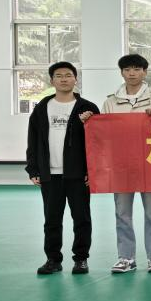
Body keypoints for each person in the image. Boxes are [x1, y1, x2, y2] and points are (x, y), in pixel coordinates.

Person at [96, 54, 151, 274]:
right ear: (121, 72)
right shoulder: (111, 102)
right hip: (121, 166)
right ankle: (126, 258)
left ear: (145, 72)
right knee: (122, 213)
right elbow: (103, 133)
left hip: (150, 164)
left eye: (137, 69)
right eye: (127, 69)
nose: (132, 73)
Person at [27, 62, 99, 275]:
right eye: (59, 75)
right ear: (52, 81)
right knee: (52, 220)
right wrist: (33, 169)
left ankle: (81, 259)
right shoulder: (42, 107)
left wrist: (93, 170)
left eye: (68, 75)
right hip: (50, 174)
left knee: (82, 219)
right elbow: (33, 139)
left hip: (78, 174)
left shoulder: (88, 108)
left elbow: (98, 142)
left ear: (75, 79)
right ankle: (53, 259)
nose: (64, 79)